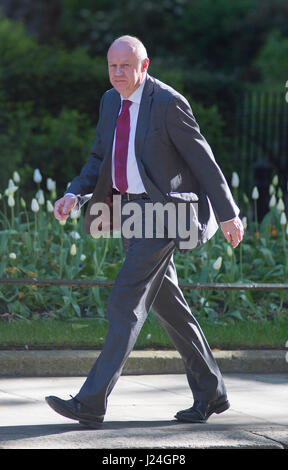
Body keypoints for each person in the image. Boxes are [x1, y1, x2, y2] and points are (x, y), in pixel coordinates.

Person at [46, 35, 244, 427]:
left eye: (125, 66)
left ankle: (91, 402)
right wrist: (74, 194)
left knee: (125, 302)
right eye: (112, 66)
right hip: (129, 213)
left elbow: (204, 161)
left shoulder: (168, 103)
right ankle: (211, 391)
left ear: (144, 65)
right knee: (168, 305)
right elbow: (100, 156)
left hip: (166, 213)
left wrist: (228, 213)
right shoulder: (109, 101)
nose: (118, 73)